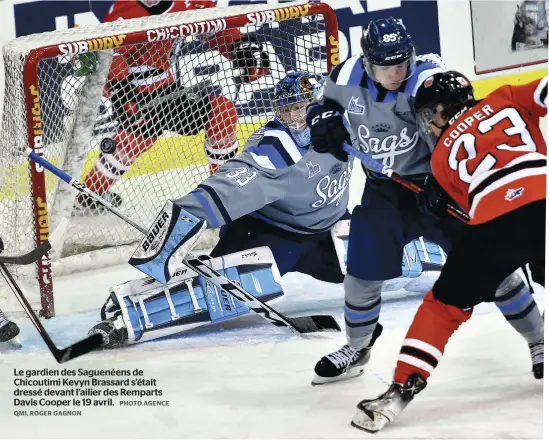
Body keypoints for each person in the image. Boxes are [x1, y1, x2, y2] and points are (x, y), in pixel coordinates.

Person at [88, 71, 354, 347]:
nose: (292, 118)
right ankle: (128, 314)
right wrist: (173, 231)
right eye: (286, 110)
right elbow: (220, 191)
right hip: (270, 234)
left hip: (330, 229)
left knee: (379, 255)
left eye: (299, 107)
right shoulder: (275, 151)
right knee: (223, 293)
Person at [351, 71, 546, 433]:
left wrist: (436, 199)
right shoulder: (506, 97)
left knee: (442, 307)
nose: (429, 124)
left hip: (494, 219)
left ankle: (400, 389)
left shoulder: (441, 158)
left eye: (429, 115)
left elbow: (470, 210)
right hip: (543, 192)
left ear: (440, 111)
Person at [77, 0, 270, 212]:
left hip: (168, 88)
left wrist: (239, 47)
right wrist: (121, 93)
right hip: (135, 93)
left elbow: (212, 28)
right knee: (132, 143)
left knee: (221, 113)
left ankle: (227, 194)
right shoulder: (129, 7)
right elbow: (110, 52)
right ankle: (88, 197)